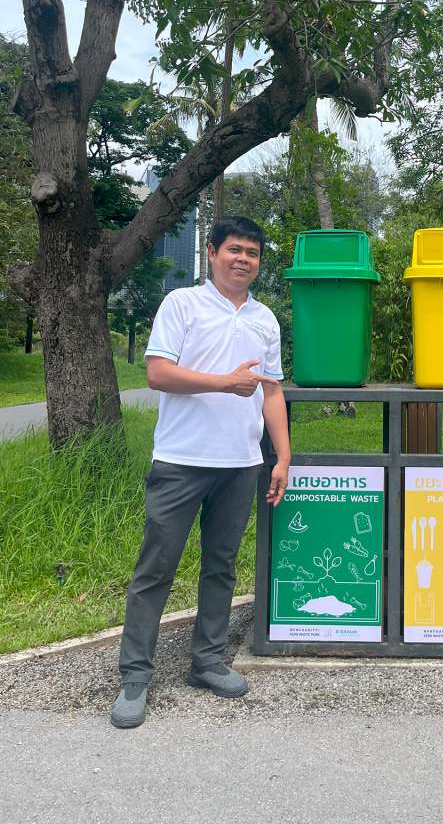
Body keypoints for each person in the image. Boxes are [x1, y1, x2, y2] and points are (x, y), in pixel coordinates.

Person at [111, 215, 291, 729]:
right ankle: (135, 677)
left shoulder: (265, 319)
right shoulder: (182, 304)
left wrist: (282, 456)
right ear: (211, 253)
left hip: (240, 464)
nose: (243, 260)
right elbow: (158, 373)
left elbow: (271, 392)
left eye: (252, 253)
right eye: (233, 249)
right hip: (180, 460)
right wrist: (224, 383)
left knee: (221, 566)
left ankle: (207, 662)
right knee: (156, 568)